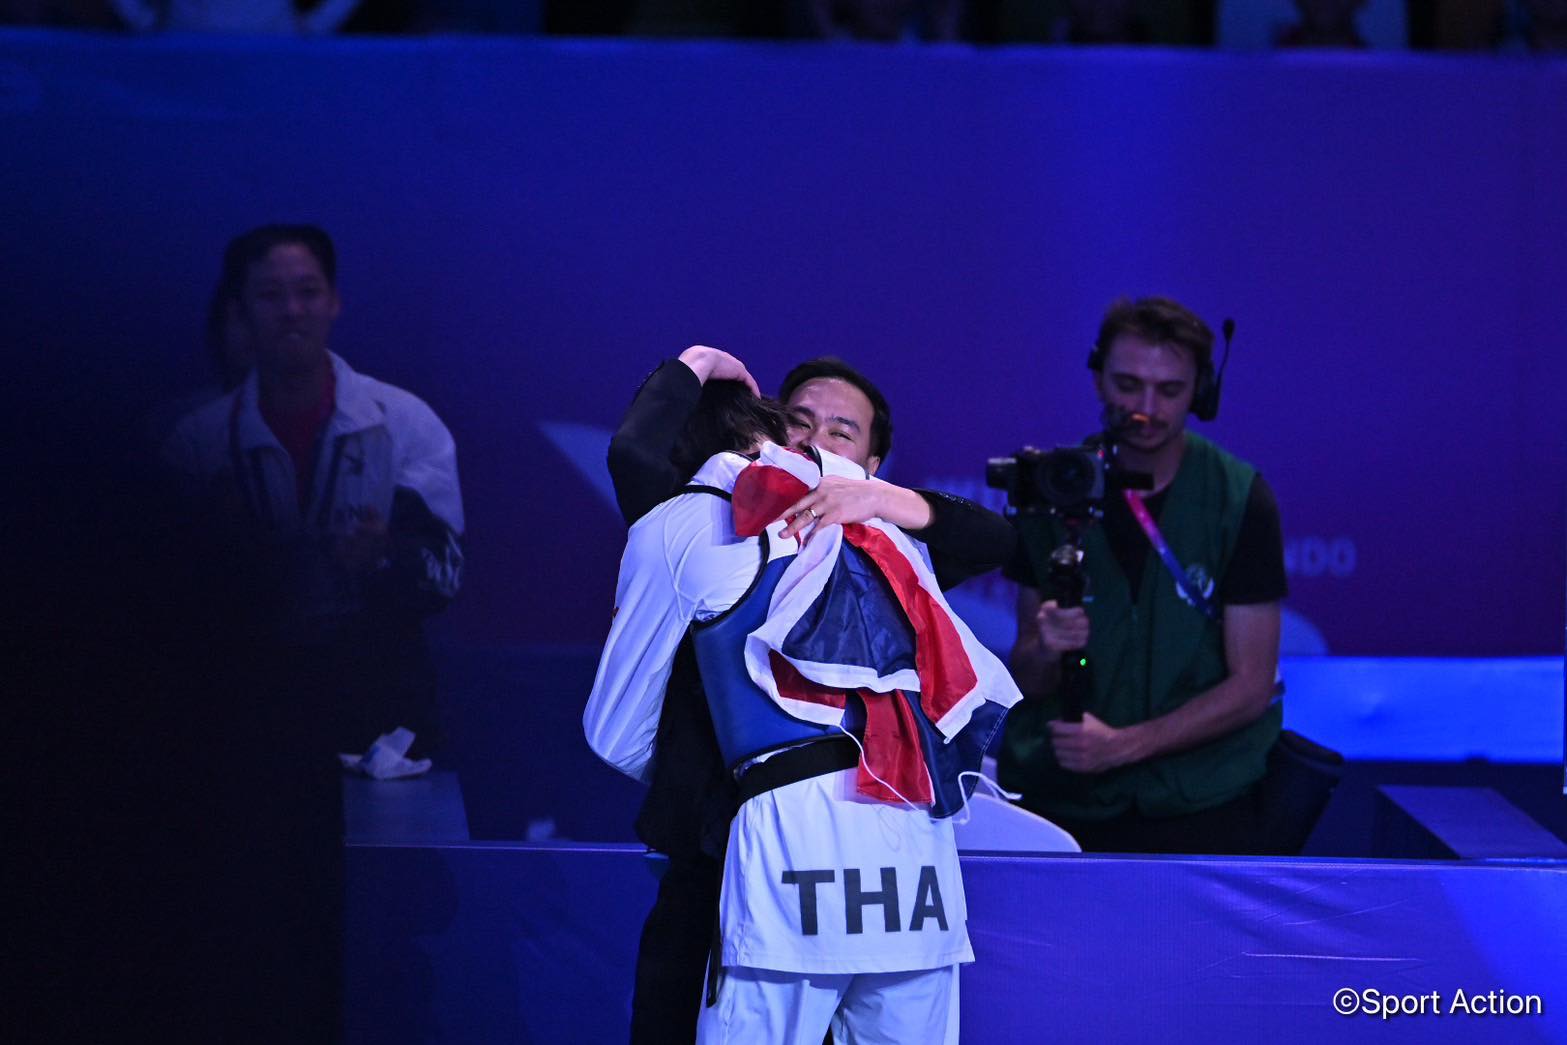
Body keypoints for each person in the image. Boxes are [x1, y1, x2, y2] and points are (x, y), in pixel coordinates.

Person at [586, 380, 1019, 1041]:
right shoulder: (892, 536)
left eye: (841, 431)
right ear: (771, 425)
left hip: (784, 826)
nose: (815, 441)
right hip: (914, 838)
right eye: (800, 421)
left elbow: (613, 734)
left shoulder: (690, 523)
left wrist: (708, 773)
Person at [160, 223, 464, 1041]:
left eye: (305, 292)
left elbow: (445, 574)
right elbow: (159, 607)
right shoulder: (197, 443)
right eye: (270, 295)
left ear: (334, 302)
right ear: (242, 310)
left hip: (379, 722)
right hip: (239, 729)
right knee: (246, 943)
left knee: (387, 942)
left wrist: (382, 559)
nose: (290, 311)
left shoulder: (403, 424)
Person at [998, 296, 1287, 855]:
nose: (1146, 409)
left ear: (1201, 392)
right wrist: (1045, 649)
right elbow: (1028, 679)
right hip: (1065, 798)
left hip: (1202, 800)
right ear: (1098, 379)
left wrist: (1124, 745)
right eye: (1128, 385)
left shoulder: (1238, 496)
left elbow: (1252, 686)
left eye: (1170, 390)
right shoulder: (1053, 487)